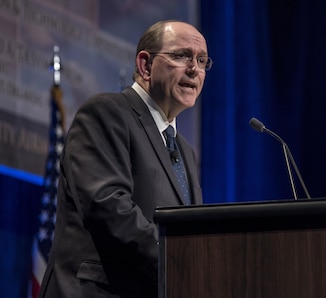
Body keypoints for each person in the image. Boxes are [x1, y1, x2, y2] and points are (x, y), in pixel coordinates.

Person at [38, 20, 212, 298]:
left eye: (202, 60)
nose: (194, 69)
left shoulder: (184, 150)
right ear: (145, 65)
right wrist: (182, 261)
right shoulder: (106, 112)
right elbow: (108, 204)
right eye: (181, 56)